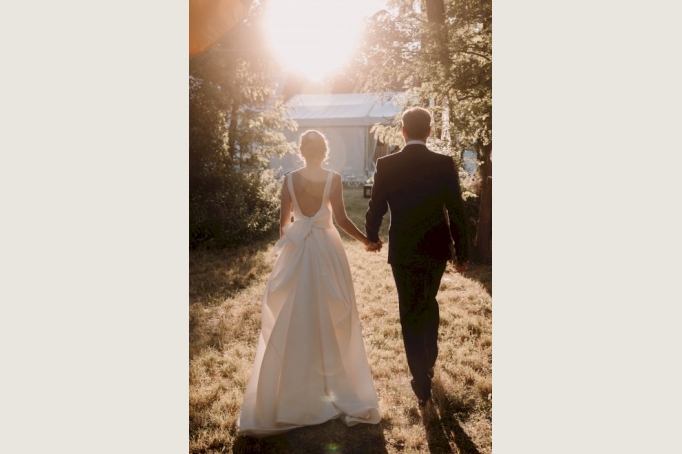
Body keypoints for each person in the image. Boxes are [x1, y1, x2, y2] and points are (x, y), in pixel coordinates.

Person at [237, 130, 382, 436]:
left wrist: (289, 253)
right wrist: (366, 240)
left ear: (302, 150)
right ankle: (330, 377)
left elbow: (283, 224)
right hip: (327, 249)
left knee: (295, 312)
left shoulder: (288, 179)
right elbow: (341, 219)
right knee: (331, 310)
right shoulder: (333, 177)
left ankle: (294, 383)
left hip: (298, 248)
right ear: (324, 151)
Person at [364, 107, 470, 408]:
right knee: (428, 301)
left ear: (403, 131)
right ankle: (429, 360)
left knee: (409, 309)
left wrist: (371, 235)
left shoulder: (386, 164)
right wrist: (462, 252)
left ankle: (420, 378)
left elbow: (376, 206)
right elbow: (456, 211)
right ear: (429, 131)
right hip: (436, 247)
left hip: (404, 249)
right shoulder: (444, 164)